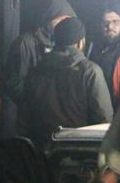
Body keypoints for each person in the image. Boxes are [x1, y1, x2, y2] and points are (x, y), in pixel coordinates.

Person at [19, 17, 114, 149]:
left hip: (43, 152)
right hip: (80, 153)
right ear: (81, 42)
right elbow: (104, 119)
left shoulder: (36, 70)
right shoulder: (90, 71)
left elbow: (24, 118)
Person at [3, 0, 77, 105]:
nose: (64, 25)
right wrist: (37, 102)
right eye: (61, 20)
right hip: (29, 114)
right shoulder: (24, 43)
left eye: (68, 20)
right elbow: (14, 84)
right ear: (50, 18)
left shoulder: (64, 46)